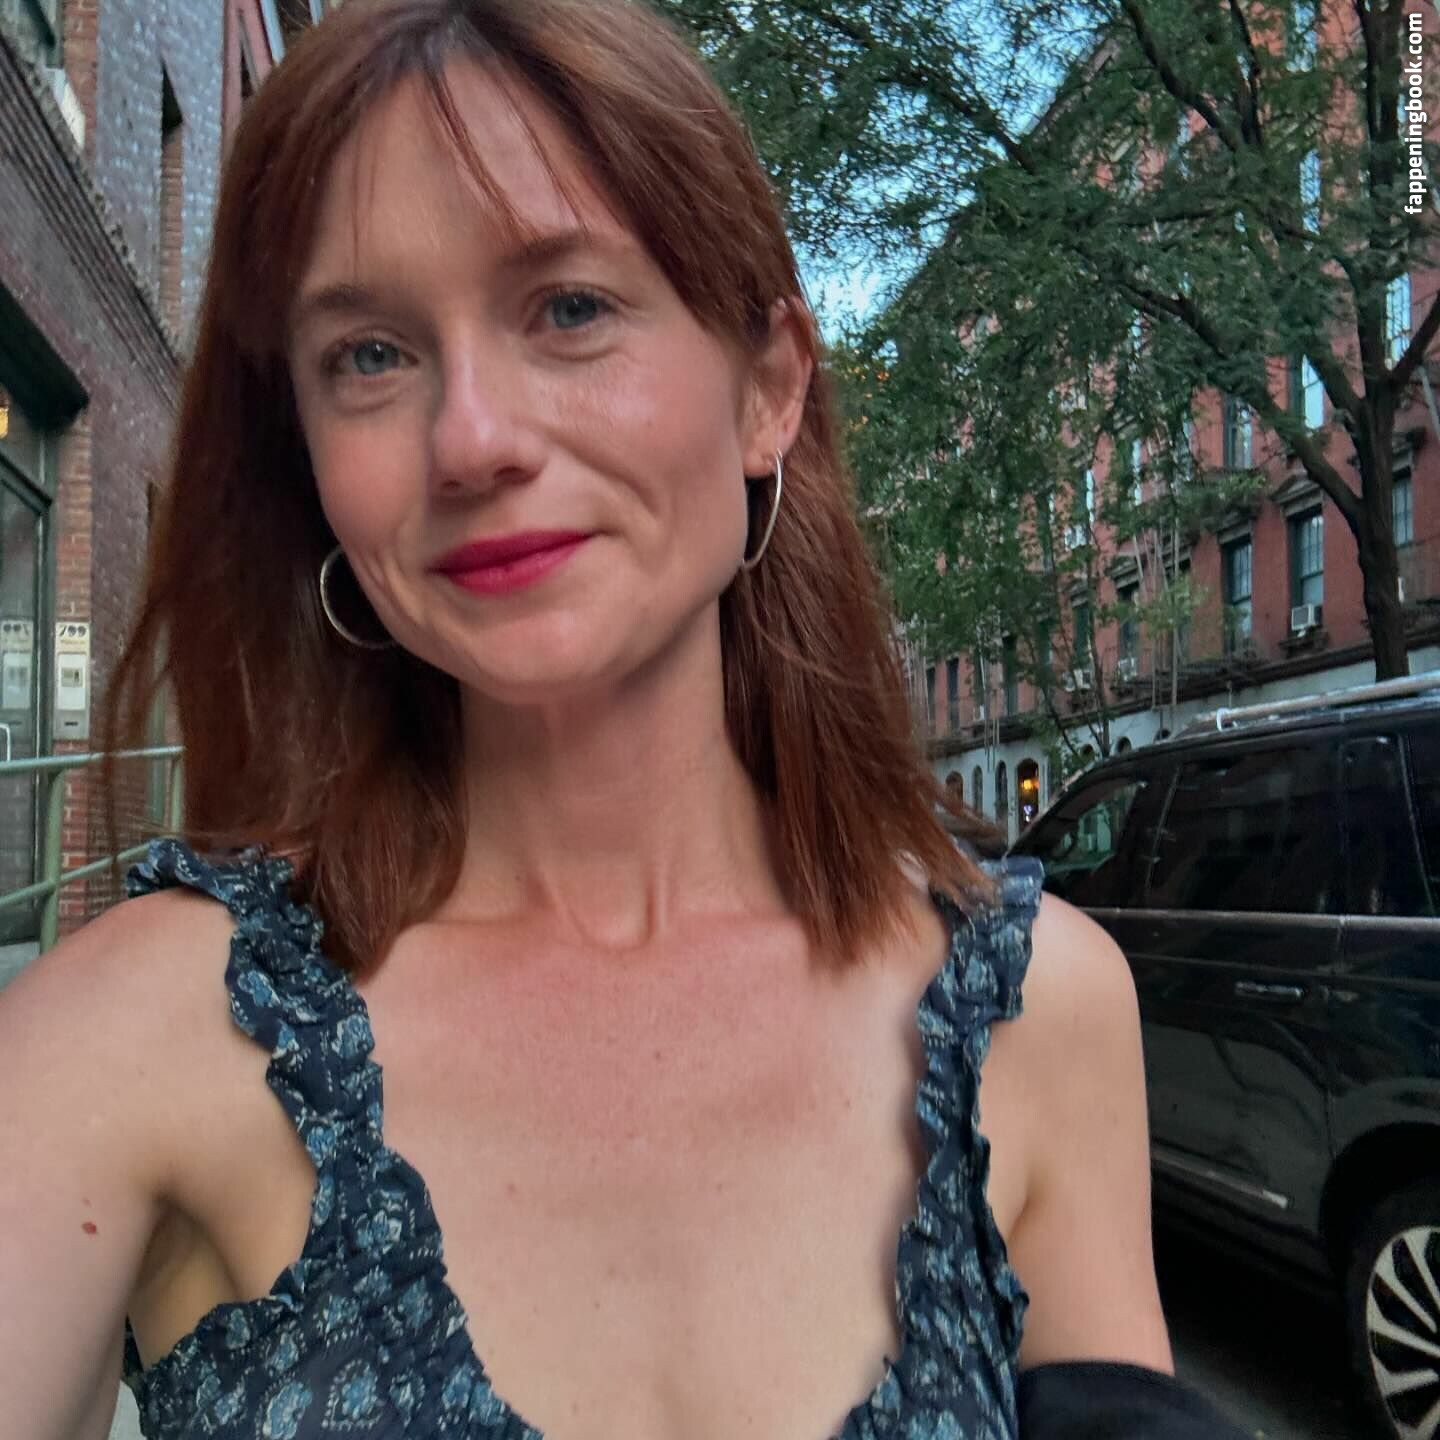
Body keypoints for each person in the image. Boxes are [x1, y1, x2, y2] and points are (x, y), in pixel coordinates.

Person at [0, 1, 1246, 1436]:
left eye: (570, 308)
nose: (471, 439)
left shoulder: (1039, 1012)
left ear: (768, 388)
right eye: (370, 354)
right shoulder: (132, 1038)